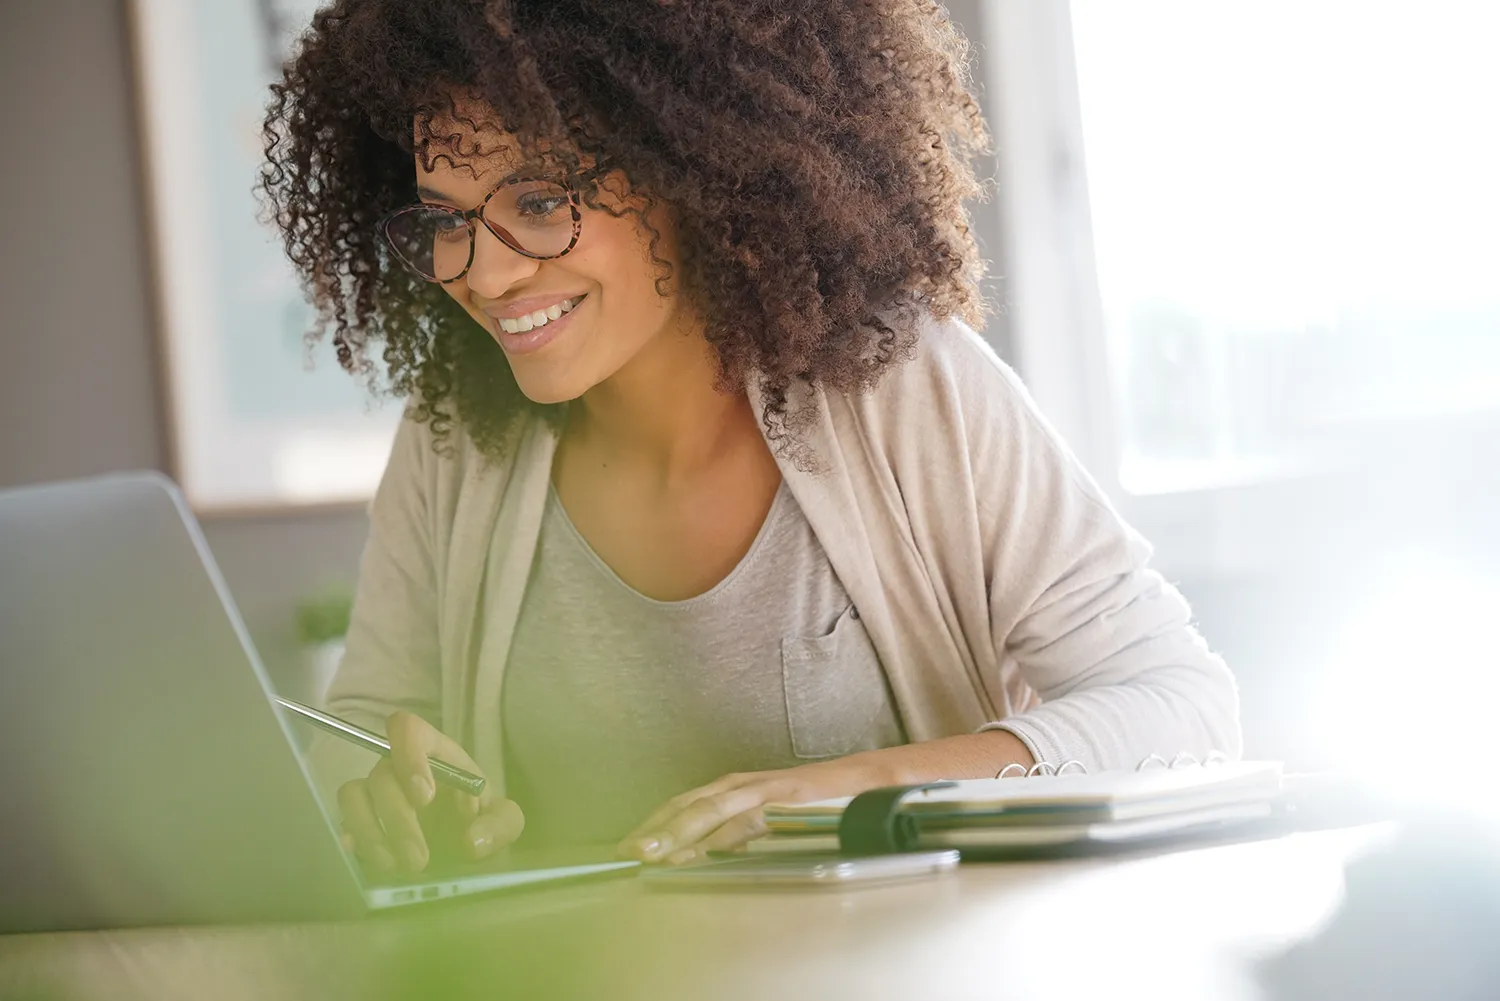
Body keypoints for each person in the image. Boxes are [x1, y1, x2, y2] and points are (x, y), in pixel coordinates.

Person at [259, 0, 1240, 876]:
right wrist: (382, 800)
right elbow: (355, 732)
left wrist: (866, 789)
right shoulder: (455, 446)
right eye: (445, 220)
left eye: (541, 202)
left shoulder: (905, 391)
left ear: (686, 165)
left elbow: (1183, 708)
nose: (485, 275)